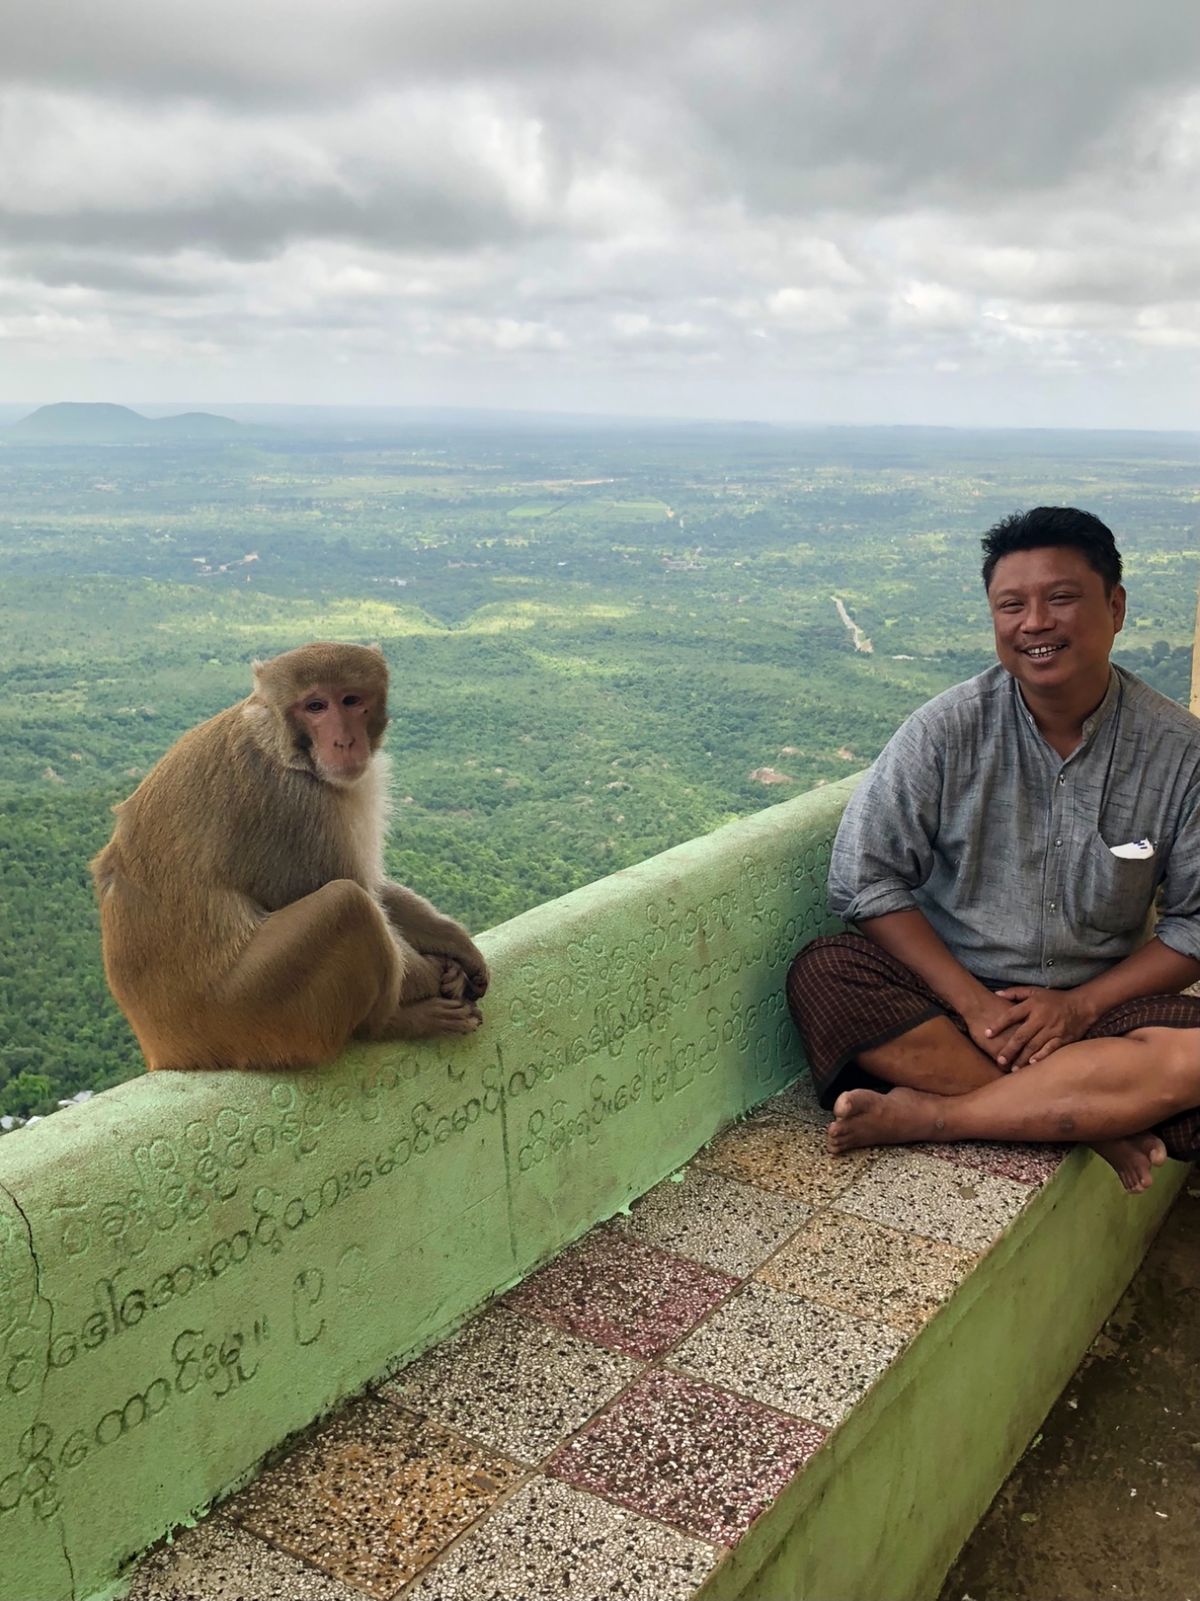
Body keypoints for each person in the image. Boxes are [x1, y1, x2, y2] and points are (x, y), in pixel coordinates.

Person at [786, 506, 1200, 1191]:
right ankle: (1094, 1120)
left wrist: (1077, 1009)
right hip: (955, 1000)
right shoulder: (947, 730)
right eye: (1012, 604)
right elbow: (864, 879)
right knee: (826, 973)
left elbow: (1194, 925)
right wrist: (977, 1009)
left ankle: (940, 1116)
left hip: (1096, 1010)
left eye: (1061, 598)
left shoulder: (1180, 754)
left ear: (1116, 606)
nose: (1034, 622)